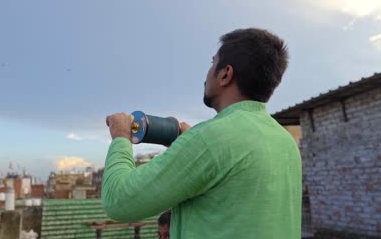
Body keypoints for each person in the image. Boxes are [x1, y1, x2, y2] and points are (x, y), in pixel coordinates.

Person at [103, 28, 302, 238]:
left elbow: (118, 202)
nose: (207, 73)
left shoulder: (210, 138)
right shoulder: (285, 141)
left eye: (212, 63)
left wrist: (121, 138)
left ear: (225, 74)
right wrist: (187, 144)